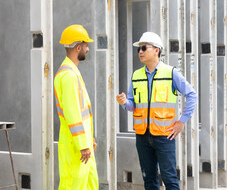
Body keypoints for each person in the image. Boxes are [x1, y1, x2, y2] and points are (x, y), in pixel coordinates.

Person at [116, 31, 197, 190]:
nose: (140, 52)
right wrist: (125, 102)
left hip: (164, 136)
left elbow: (192, 95)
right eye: (138, 49)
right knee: (149, 181)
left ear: (156, 50)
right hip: (142, 137)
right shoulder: (136, 75)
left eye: (144, 48)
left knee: (170, 180)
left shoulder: (171, 73)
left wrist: (181, 122)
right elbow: (134, 105)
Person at [54, 24, 99, 190]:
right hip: (76, 146)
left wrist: (89, 139)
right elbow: (73, 114)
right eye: (86, 45)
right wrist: (83, 144)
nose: (87, 49)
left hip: (82, 143)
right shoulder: (68, 77)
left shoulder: (72, 73)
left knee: (89, 184)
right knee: (74, 185)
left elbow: (82, 113)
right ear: (78, 47)